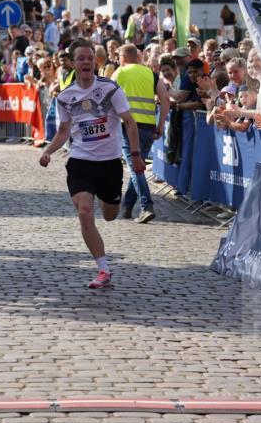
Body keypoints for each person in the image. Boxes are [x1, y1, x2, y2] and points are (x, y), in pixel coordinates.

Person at [39, 39, 145, 289]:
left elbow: (129, 122)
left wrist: (137, 154)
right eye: (80, 58)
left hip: (109, 163)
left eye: (89, 58)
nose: (85, 62)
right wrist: (48, 151)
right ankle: (103, 268)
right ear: (73, 63)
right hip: (81, 162)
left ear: (94, 62)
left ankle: (105, 197)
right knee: (85, 211)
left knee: (109, 215)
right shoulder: (65, 97)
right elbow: (64, 130)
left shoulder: (110, 89)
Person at [113, 43, 169, 223]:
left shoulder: (119, 73)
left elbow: (106, 99)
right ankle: (128, 206)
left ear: (122, 58)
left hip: (127, 126)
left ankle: (146, 205)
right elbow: (166, 100)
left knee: (134, 167)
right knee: (138, 167)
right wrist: (161, 125)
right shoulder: (151, 74)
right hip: (148, 126)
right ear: (137, 57)